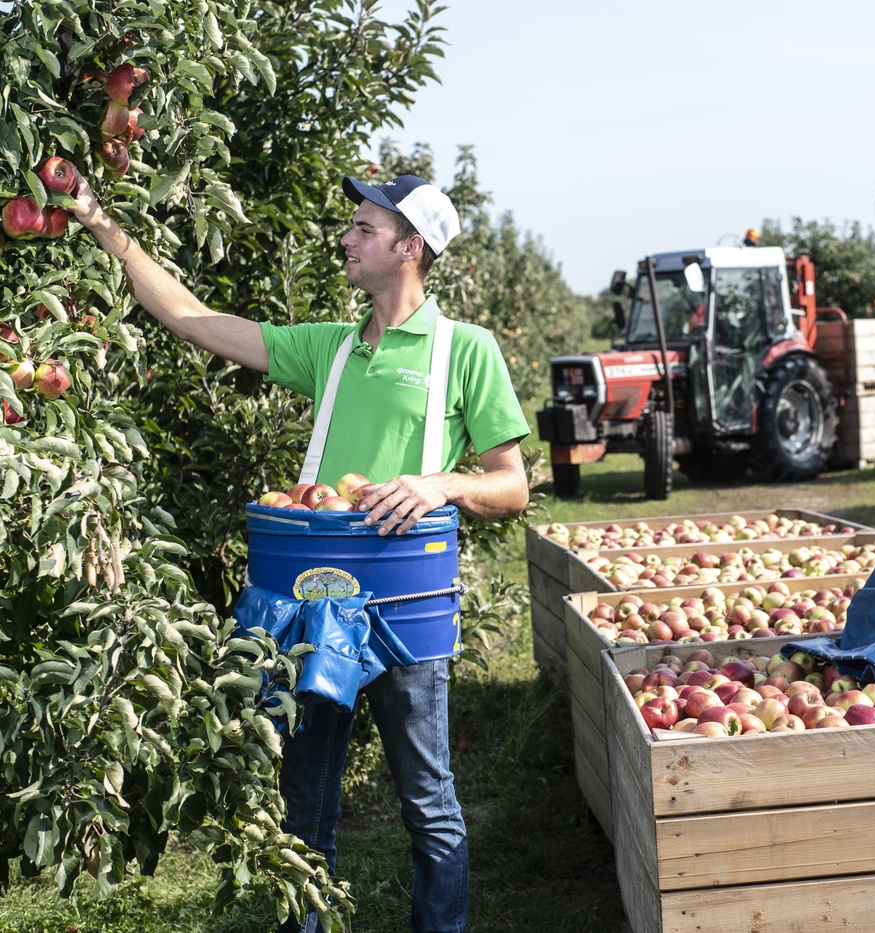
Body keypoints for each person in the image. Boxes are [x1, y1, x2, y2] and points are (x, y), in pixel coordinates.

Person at [70, 171, 531, 933]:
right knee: (304, 805)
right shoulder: (331, 348)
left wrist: (441, 483)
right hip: (316, 605)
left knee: (429, 803)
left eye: (363, 229)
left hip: (404, 608)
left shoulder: (466, 352)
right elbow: (190, 317)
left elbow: (511, 486)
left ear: (409, 247)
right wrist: (99, 222)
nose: (346, 238)